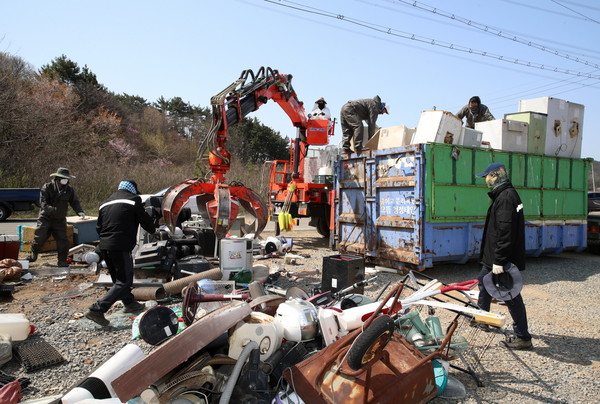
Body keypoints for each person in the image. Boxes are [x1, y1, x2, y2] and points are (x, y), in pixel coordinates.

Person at [85, 180, 158, 327]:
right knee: (124, 281)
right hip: (120, 245)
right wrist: (154, 224)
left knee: (118, 280)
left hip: (104, 246)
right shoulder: (133, 200)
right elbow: (147, 224)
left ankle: (129, 303)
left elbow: (99, 228)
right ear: (133, 190)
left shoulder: (104, 203)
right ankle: (97, 309)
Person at [475, 162, 532, 350]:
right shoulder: (505, 195)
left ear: (496, 175)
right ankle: (483, 319)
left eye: (487, 177)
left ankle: (523, 337)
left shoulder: (506, 197)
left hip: (500, 258)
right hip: (492, 256)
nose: (485, 181)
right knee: (483, 281)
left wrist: (499, 260)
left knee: (510, 294)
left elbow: (506, 231)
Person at [27, 168, 85, 267]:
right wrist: (53, 210)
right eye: (64, 178)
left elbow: (74, 202)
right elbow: (43, 204)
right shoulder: (47, 187)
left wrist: (80, 211)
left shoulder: (69, 190)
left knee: (63, 240)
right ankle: (33, 254)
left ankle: (62, 260)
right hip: (46, 217)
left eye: (67, 178)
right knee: (40, 236)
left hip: (60, 219)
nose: (66, 180)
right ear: (58, 178)